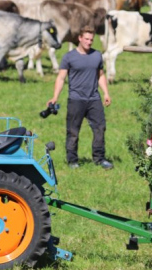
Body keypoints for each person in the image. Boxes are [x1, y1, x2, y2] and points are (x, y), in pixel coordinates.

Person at [47, 26, 113, 170]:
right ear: (80, 38)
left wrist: (106, 93)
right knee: (73, 131)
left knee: (100, 128)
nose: (89, 42)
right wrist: (55, 97)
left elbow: (100, 75)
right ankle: (72, 161)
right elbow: (61, 78)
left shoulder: (97, 55)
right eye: (87, 39)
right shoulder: (69, 57)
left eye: (91, 40)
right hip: (76, 99)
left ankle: (99, 159)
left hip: (94, 98)